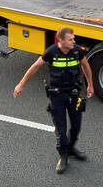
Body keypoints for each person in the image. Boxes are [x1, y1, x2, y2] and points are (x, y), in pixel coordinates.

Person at [12, 27, 94, 174]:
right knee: (61, 130)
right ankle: (63, 156)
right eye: (70, 39)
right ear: (61, 40)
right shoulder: (51, 52)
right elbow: (35, 66)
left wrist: (90, 85)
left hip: (74, 94)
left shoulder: (77, 51)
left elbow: (86, 65)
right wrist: (21, 84)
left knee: (76, 127)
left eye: (73, 39)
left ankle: (71, 148)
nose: (74, 41)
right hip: (57, 96)